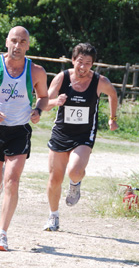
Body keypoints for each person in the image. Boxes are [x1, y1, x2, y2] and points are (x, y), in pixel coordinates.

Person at [0, 26, 48, 251]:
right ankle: (0, 175)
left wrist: (38, 111)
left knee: (12, 182)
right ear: (7, 42)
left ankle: (2, 234)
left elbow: (43, 97)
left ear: (28, 45)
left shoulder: (37, 71)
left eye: (22, 41)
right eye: (14, 40)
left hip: (19, 131)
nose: (18, 45)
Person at [43, 42, 118, 231]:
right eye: (80, 62)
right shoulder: (62, 78)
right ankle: (53, 217)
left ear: (93, 64)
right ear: (73, 60)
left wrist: (112, 118)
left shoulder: (100, 81)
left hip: (84, 134)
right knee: (54, 179)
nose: (83, 67)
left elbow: (113, 94)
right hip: (61, 132)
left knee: (74, 170)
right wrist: (55, 101)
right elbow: (44, 102)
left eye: (88, 63)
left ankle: (75, 183)